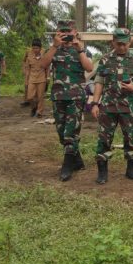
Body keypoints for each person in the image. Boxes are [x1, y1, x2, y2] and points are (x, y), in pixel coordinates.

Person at [90, 28, 133, 184]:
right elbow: (99, 82)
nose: (122, 47)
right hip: (108, 106)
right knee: (104, 138)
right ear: (113, 42)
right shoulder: (105, 60)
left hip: (129, 106)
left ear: (130, 42)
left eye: (125, 44)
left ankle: (131, 169)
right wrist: (95, 103)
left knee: (131, 137)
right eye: (119, 43)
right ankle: (102, 171)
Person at [40, 20, 93, 181]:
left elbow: (89, 68)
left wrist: (80, 49)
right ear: (57, 32)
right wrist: (54, 46)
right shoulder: (54, 49)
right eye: (62, 31)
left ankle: (67, 166)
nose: (66, 34)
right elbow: (43, 64)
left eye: (69, 31)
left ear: (75, 32)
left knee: (71, 132)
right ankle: (77, 160)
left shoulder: (81, 49)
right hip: (58, 96)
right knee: (61, 132)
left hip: (76, 96)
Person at [24, 39, 48, 118]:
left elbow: (47, 67)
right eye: (33, 48)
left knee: (40, 97)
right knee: (30, 97)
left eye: (36, 48)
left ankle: (39, 112)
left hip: (41, 79)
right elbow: (28, 69)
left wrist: (48, 77)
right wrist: (26, 80)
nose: (35, 50)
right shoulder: (29, 56)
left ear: (40, 48)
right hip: (32, 78)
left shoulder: (44, 55)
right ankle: (34, 108)